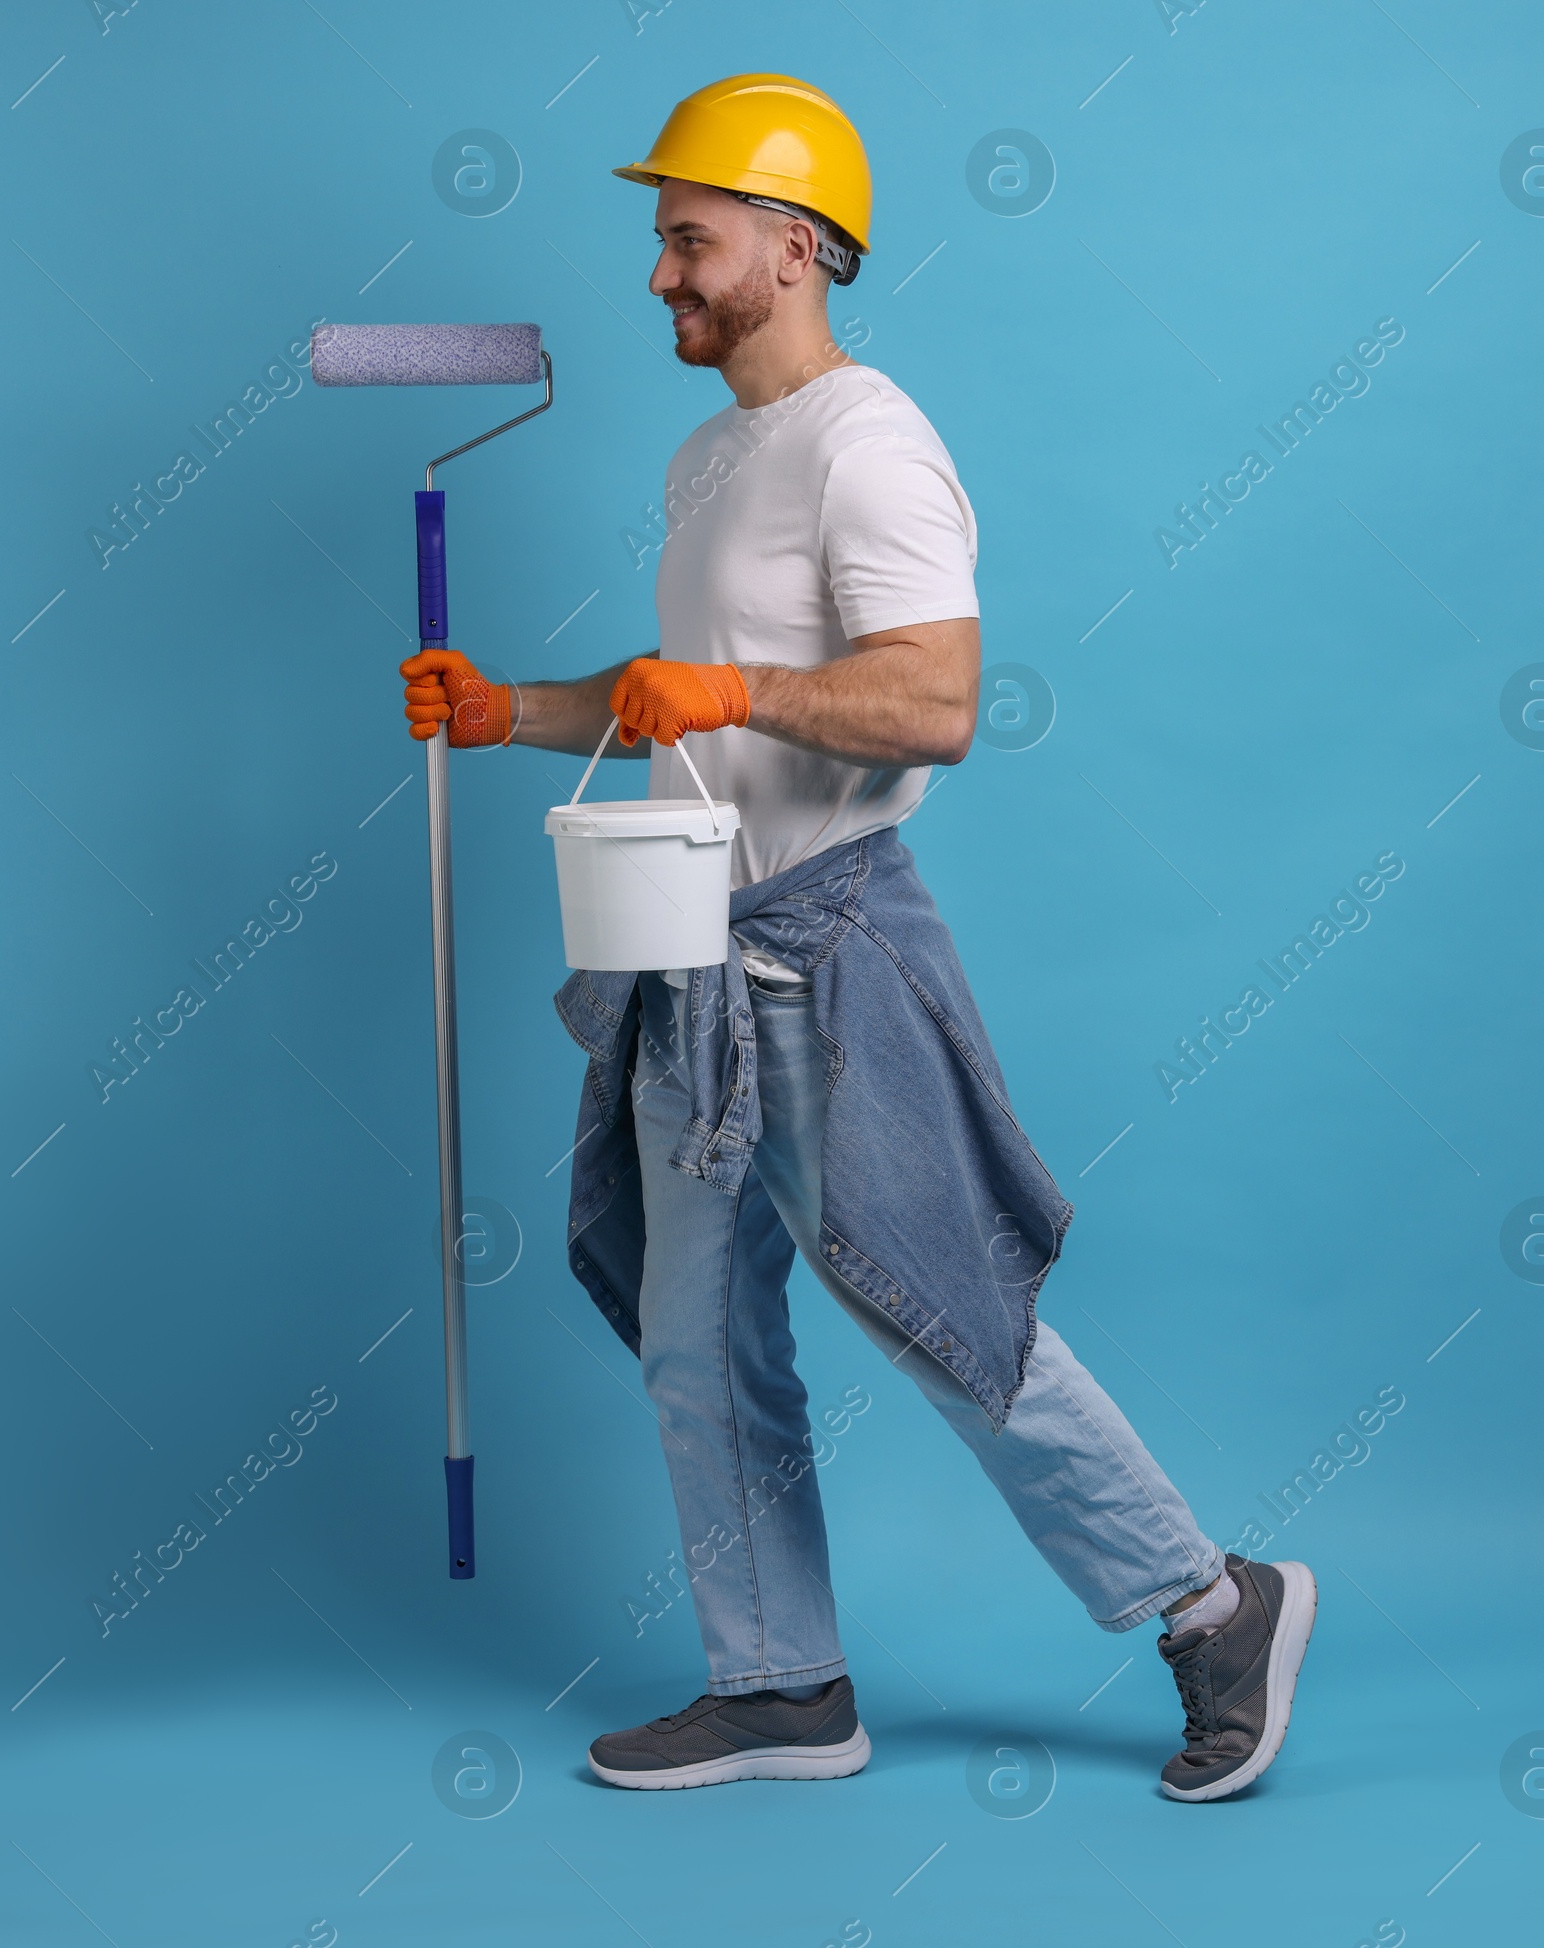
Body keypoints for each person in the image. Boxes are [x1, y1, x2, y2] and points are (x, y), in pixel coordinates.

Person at [399, 73, 1315, 1801]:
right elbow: (684, 704)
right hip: (694, 954)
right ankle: (780, 1685)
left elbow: (939, 698)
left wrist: (734, 684)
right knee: (693, 1331)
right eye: (662, 243)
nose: (659, 276)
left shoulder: (869, 439)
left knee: (929, 1300)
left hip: (826, 948)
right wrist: (508, 702)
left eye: (690, 240)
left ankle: (1212, 1605)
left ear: (799, 248)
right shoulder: (712, 455)